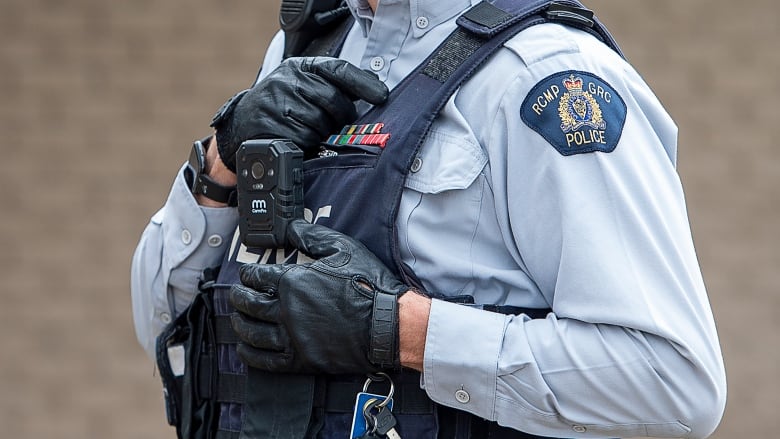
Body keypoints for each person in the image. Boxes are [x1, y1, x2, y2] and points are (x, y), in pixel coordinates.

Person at [131, 0, 727, 438]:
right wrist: (223, 159)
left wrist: (399, 329)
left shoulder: (546, 75)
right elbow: (163, 324)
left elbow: (672, 382)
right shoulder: (307, 46)